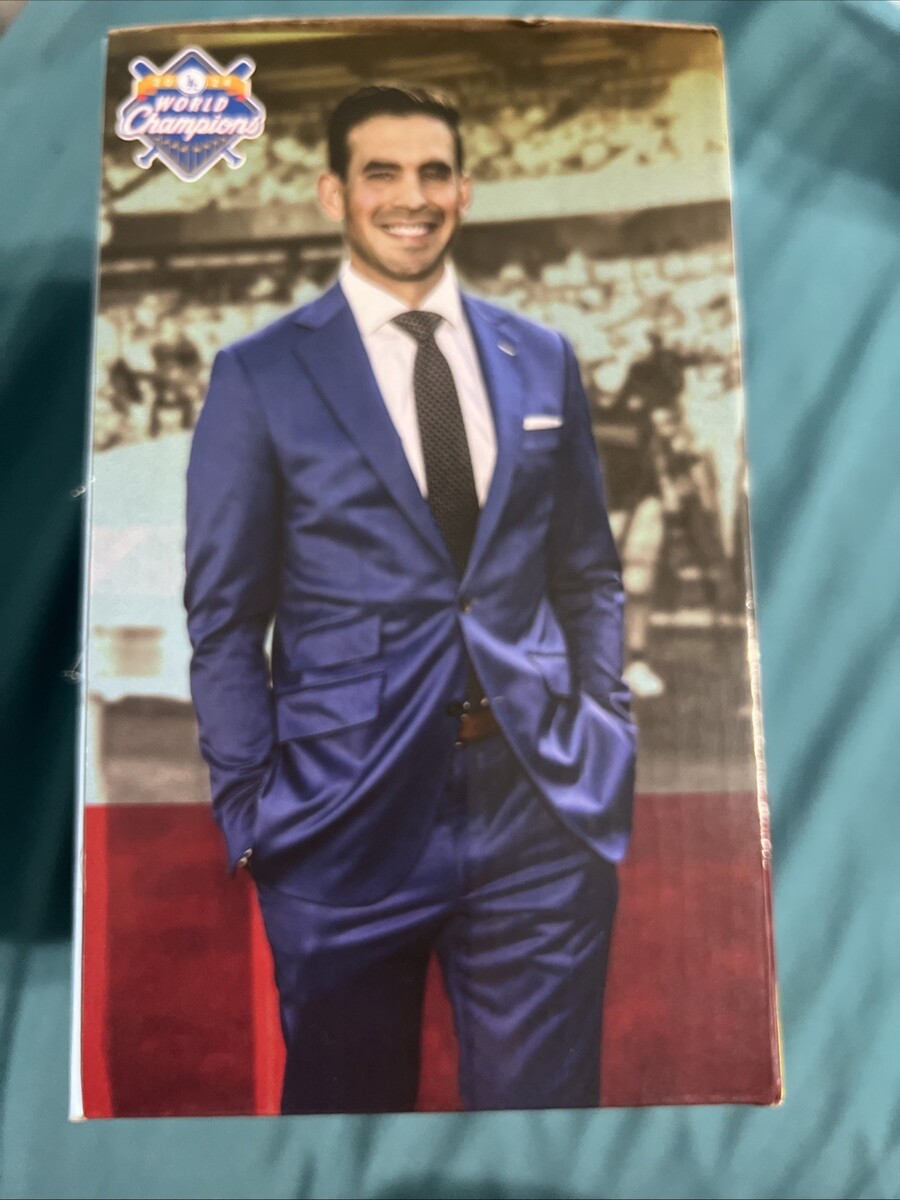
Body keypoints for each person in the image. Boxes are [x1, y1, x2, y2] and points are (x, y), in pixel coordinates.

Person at [184, 85, 636, 1115]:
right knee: (347, 1129)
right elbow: (224, 620)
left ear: (465, 191)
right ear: (332, 193)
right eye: (380, 172)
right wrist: (250, 812)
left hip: (538, 809)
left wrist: (604, 727)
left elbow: (587, 574)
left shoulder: (542, 356)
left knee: (543, 1131)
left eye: (434, 172)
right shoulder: (259, 375)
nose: (412, 196)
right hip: (341, 815)